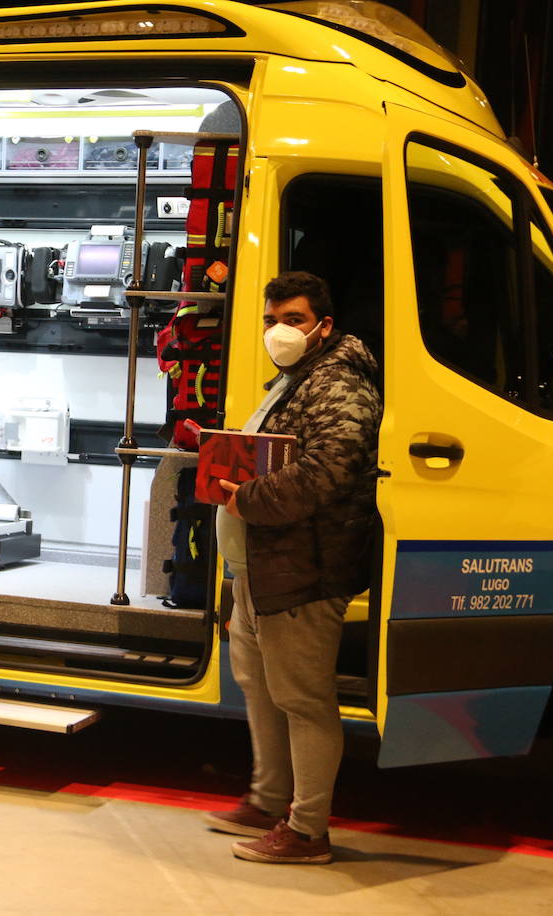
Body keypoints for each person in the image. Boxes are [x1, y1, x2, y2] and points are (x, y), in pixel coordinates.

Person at [204, 270, 382, 864]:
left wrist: (243, 499)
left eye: (294, 320)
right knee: (262, 687)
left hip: (302, 566)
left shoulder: (340, 385)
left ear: (323, 326)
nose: (278, 331)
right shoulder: (292, 381)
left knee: (303, 698)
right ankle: (268, 798)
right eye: (271, 320)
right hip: (259, 566)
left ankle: (307, 832)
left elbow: (326, 474)